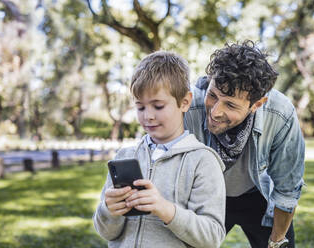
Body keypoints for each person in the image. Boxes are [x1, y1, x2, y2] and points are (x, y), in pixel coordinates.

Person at [93, 51, 227, 248]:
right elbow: (106, 232)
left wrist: (166, 210)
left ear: (185, 102)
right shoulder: (125, 156)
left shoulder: (203, 161)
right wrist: (109, 210)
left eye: (158, 106)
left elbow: (212, 237)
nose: (148, 116)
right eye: (140, 107)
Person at [184, 40, 305, 248]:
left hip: (257, 194)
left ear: (257, 104)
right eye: (213, 95)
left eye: (230, 104)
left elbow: (287, 190)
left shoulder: (280, 114)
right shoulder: (188, 107)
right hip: (208, 196)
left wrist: (275, 242)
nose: (215, 112)